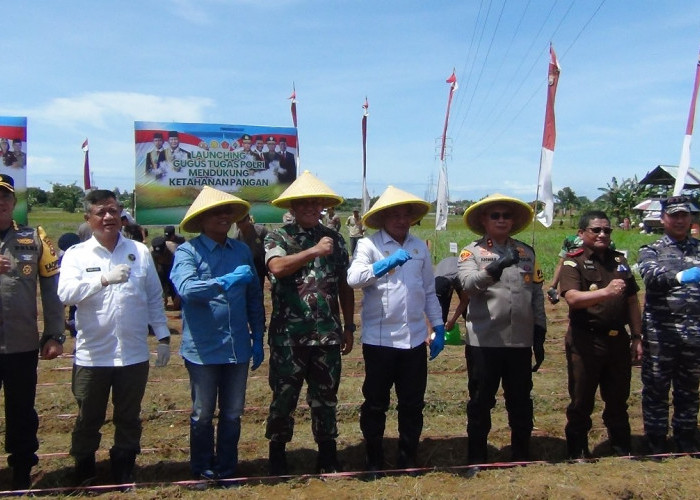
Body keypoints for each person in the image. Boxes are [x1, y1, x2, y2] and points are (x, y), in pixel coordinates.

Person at [57, 189, 171, 486]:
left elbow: (153, 297)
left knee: (129, 417)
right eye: (100, 212)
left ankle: (124, 467)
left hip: (133, 354)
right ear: (89, 218)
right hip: (93, 354)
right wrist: (102, 279)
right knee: (87, 418)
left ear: (121, 214)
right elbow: (65, 293)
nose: (108, 217)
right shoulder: (76, 255)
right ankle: (84, 469)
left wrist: (162, 336)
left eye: (113, 211)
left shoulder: (139, 251)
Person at [170, 186, 265, 481]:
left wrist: (258, 336)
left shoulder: (240, 251)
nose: (224, 217)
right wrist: (226, 280)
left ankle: (226, 467)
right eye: (216, 212)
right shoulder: (188, 252)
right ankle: (201, 468)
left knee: (233, 413)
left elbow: (253, 296)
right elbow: (187, 289)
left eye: (227, 212)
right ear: (201, 219)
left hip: (237, 345)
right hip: (203, 348)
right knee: (202, 413)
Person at [347, 186, 444, 471]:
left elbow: (428, 290)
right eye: (395, 215)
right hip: (379, 340)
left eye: (406, 216)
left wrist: (437, 325)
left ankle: (407, 454)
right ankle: (374, 455)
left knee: (412, 403)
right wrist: (385, 264)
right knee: (376, 402)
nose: (401, 220)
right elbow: (354, 279)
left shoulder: (418, 248)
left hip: (414, 339)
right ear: (384, 218)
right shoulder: (369, 245)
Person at [264, 170, 355, 475]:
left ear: (322, 207)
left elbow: (344, 284)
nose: (310, 207)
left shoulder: (336, 240)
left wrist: (349, 326)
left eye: (315, 203)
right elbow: (277, 268)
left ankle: (327, 454)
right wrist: (313, 251)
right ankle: (277, 453)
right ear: (292, 206)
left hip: (327, 335)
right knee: (284, 397)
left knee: (326, 396)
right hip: (288, 337)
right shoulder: (278, 236)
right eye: (303, 202)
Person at [458, 193, 547, 464]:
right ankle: (477, 458)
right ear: (484, 220)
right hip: (485, 341)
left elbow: (536, 293)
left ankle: (521, 454)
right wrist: (495, 268)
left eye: (506, 216)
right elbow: (467, 285)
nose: (501, 220)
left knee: (520, 402)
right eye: (494, 215)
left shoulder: (526, 252)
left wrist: (540, 332)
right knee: (480, 402)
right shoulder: (471, 252)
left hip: (520, 342)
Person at [559, 210, 642, 459]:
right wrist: (605, 292)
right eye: (596, 230)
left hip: (618, 340)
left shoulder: (619, 262)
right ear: (582, 233)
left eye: (607, 230)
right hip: (586, 341)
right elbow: (572, 298)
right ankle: (578, 450)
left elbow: (632, 302)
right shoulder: (573, 262)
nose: (602, 234)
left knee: (618, 398)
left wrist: (637, 336)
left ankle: (621, 446)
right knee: (582, 399)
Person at [0, 174, 65, 490]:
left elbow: (52, 292)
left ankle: (22, 473)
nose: (0, 202)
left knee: (22, 412)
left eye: (5, 196)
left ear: (14, 202)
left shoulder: (35, 237)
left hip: (20, 346)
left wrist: (55, 334)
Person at [637, 196, 700, 454]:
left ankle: (686, 438)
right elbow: (651, 278)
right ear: (663, 219)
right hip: (660, 334)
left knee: (689, 390)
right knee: (656, 389)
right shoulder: (651, 250)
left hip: (695, 334)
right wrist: (680, 277)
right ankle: (656, 440)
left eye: (684, 215)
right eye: (674, 215)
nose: (680, 220)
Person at [547, 234, 616, 304]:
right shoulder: (571, 240)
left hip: (591, 278)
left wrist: (553, 286)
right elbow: (562, 263)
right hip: (581, 278)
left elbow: (561, 263)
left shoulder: (571, 240)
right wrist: (553, 287)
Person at [434, 256, 470, 332]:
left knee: (467, 308)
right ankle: (440, 333)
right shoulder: (434, 279)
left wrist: (453, 320)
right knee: (443, 308)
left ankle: (471, 331)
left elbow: (464, 301)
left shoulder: (461, 277)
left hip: (460, 271)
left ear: (451, 289)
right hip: (445, 271)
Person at [234, 213, 269, 288]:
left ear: (248, 219)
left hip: (264, 260)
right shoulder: (237, 237)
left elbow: (270, 245)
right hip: (250, 264)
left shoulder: (261, 231)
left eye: (243, 221)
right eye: (238, 222)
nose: (240, 224)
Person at [151, 236, 180, 310]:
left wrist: (178, 295)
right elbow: (153, 275)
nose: (160, 256)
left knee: (173, 285)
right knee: (160, 275)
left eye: (161, 253)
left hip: (174, 267)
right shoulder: (149, 252)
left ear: (165, 248)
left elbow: (180, 273)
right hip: (160, 268)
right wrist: (163, 296)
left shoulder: (175, 250)